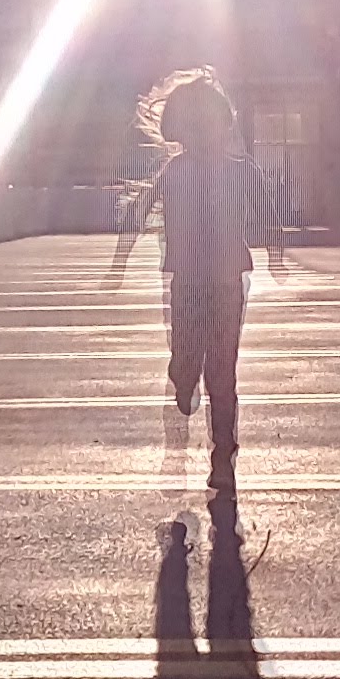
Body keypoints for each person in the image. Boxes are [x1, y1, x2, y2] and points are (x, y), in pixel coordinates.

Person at [110, 68, 286, 491]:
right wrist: (119, 260)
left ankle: (223, 457)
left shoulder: (239, 170)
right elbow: (138, 213)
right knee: (192, 360)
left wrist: (275, 252)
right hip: (190, 282)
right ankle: (182, 377)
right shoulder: (175, 171)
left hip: (224, 282)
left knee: (222, 372)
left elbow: (269, 215)